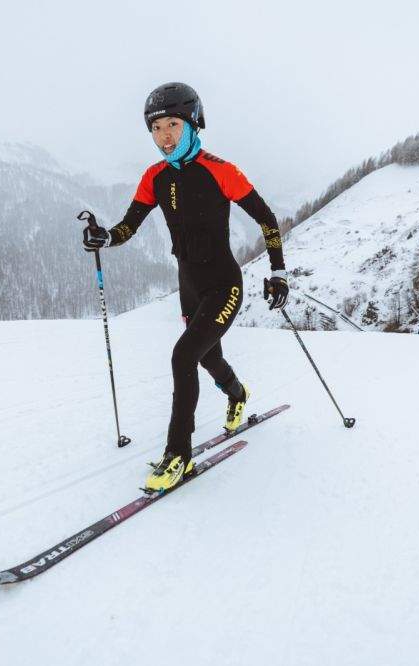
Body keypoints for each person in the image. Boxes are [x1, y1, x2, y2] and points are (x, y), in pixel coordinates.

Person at [82, 82, 289, 493]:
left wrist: (279, 271)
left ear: (194, 124)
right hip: (189, 287)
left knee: (183, 356)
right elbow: (129, 225)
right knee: (207, 356)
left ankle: (179, 454)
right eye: (157, 128)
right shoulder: (154, 177)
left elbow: (266, 218)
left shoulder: (222, 171)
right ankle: (237, 391)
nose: (165, 136)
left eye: (173, 124)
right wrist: (105, 237)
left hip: (224, 284)